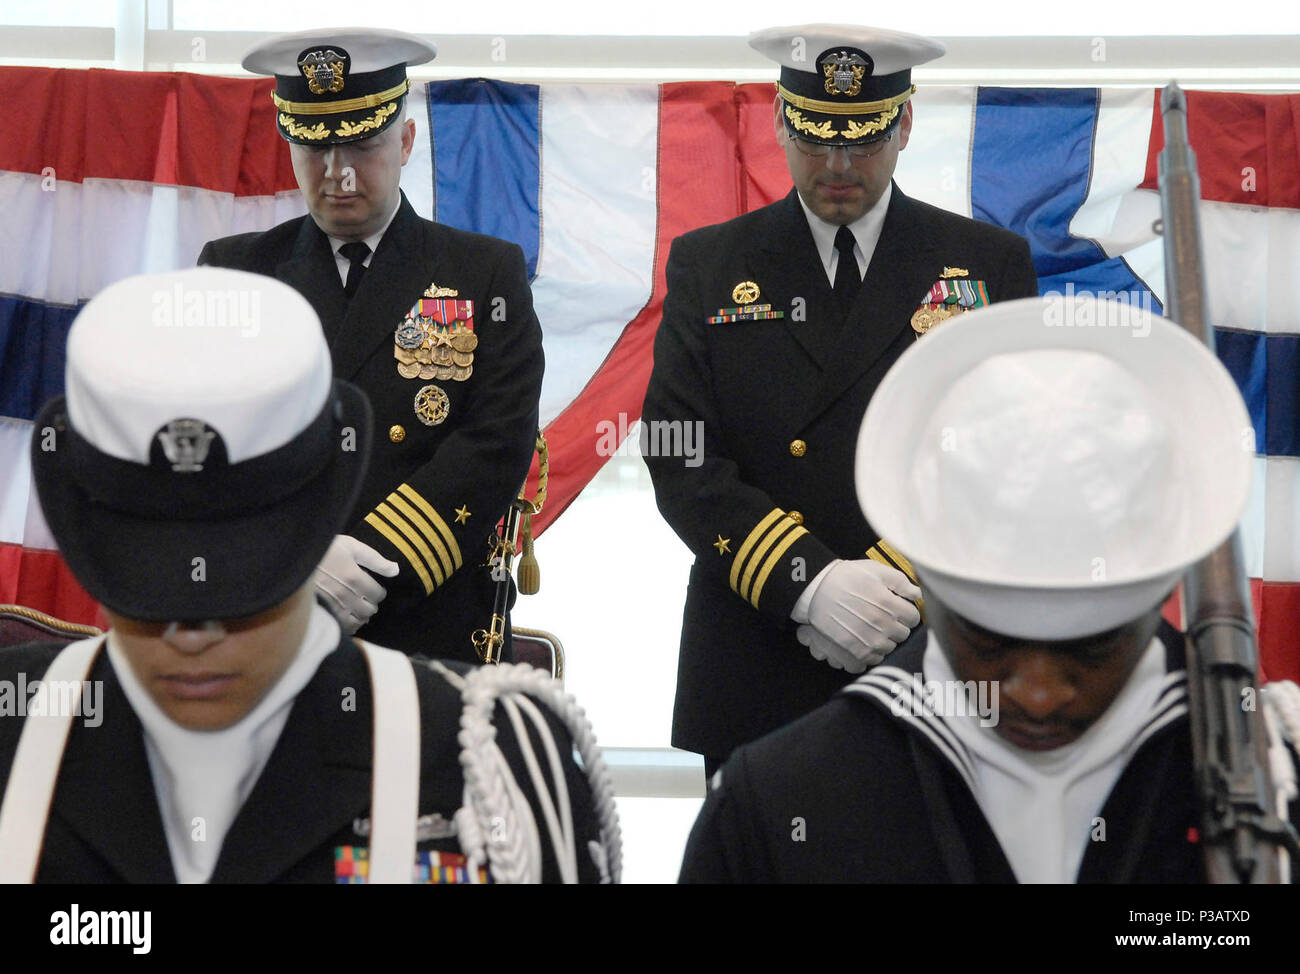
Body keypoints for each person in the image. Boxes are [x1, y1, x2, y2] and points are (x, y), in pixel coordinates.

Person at [0, 268, 618, 884]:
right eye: (147, 589)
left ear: (318, 524)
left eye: (242, 586)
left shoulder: (490, 763)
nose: (191, 634)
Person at [679, 294, 1300, 883]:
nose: (1038, 695)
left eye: (1090, 647)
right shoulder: (774, 807)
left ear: (1160, 588)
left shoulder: (1279, 773)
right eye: (992, 639)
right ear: (932, 585)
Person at [641, 24, 1040, 775]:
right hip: (759, 649)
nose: (838, 165)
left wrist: (897, 586)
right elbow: (677, 452)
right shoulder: (711, 263)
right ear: (780, 123)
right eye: (817, 139)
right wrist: (809, 584)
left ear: (907, 123)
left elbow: (1012, 457)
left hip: (928, 652)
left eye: (862, 140)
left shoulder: (987, 265)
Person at [198, 28, 543, 662]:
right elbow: (209, 444)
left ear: (406, 140)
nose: (339, 174)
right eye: (316, 148)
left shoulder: (484, 272)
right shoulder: (235, 273)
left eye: (363, 144)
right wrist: (301, 559)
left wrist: (368, 565)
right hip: (272, 617)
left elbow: (496, 441)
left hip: (426, 620)